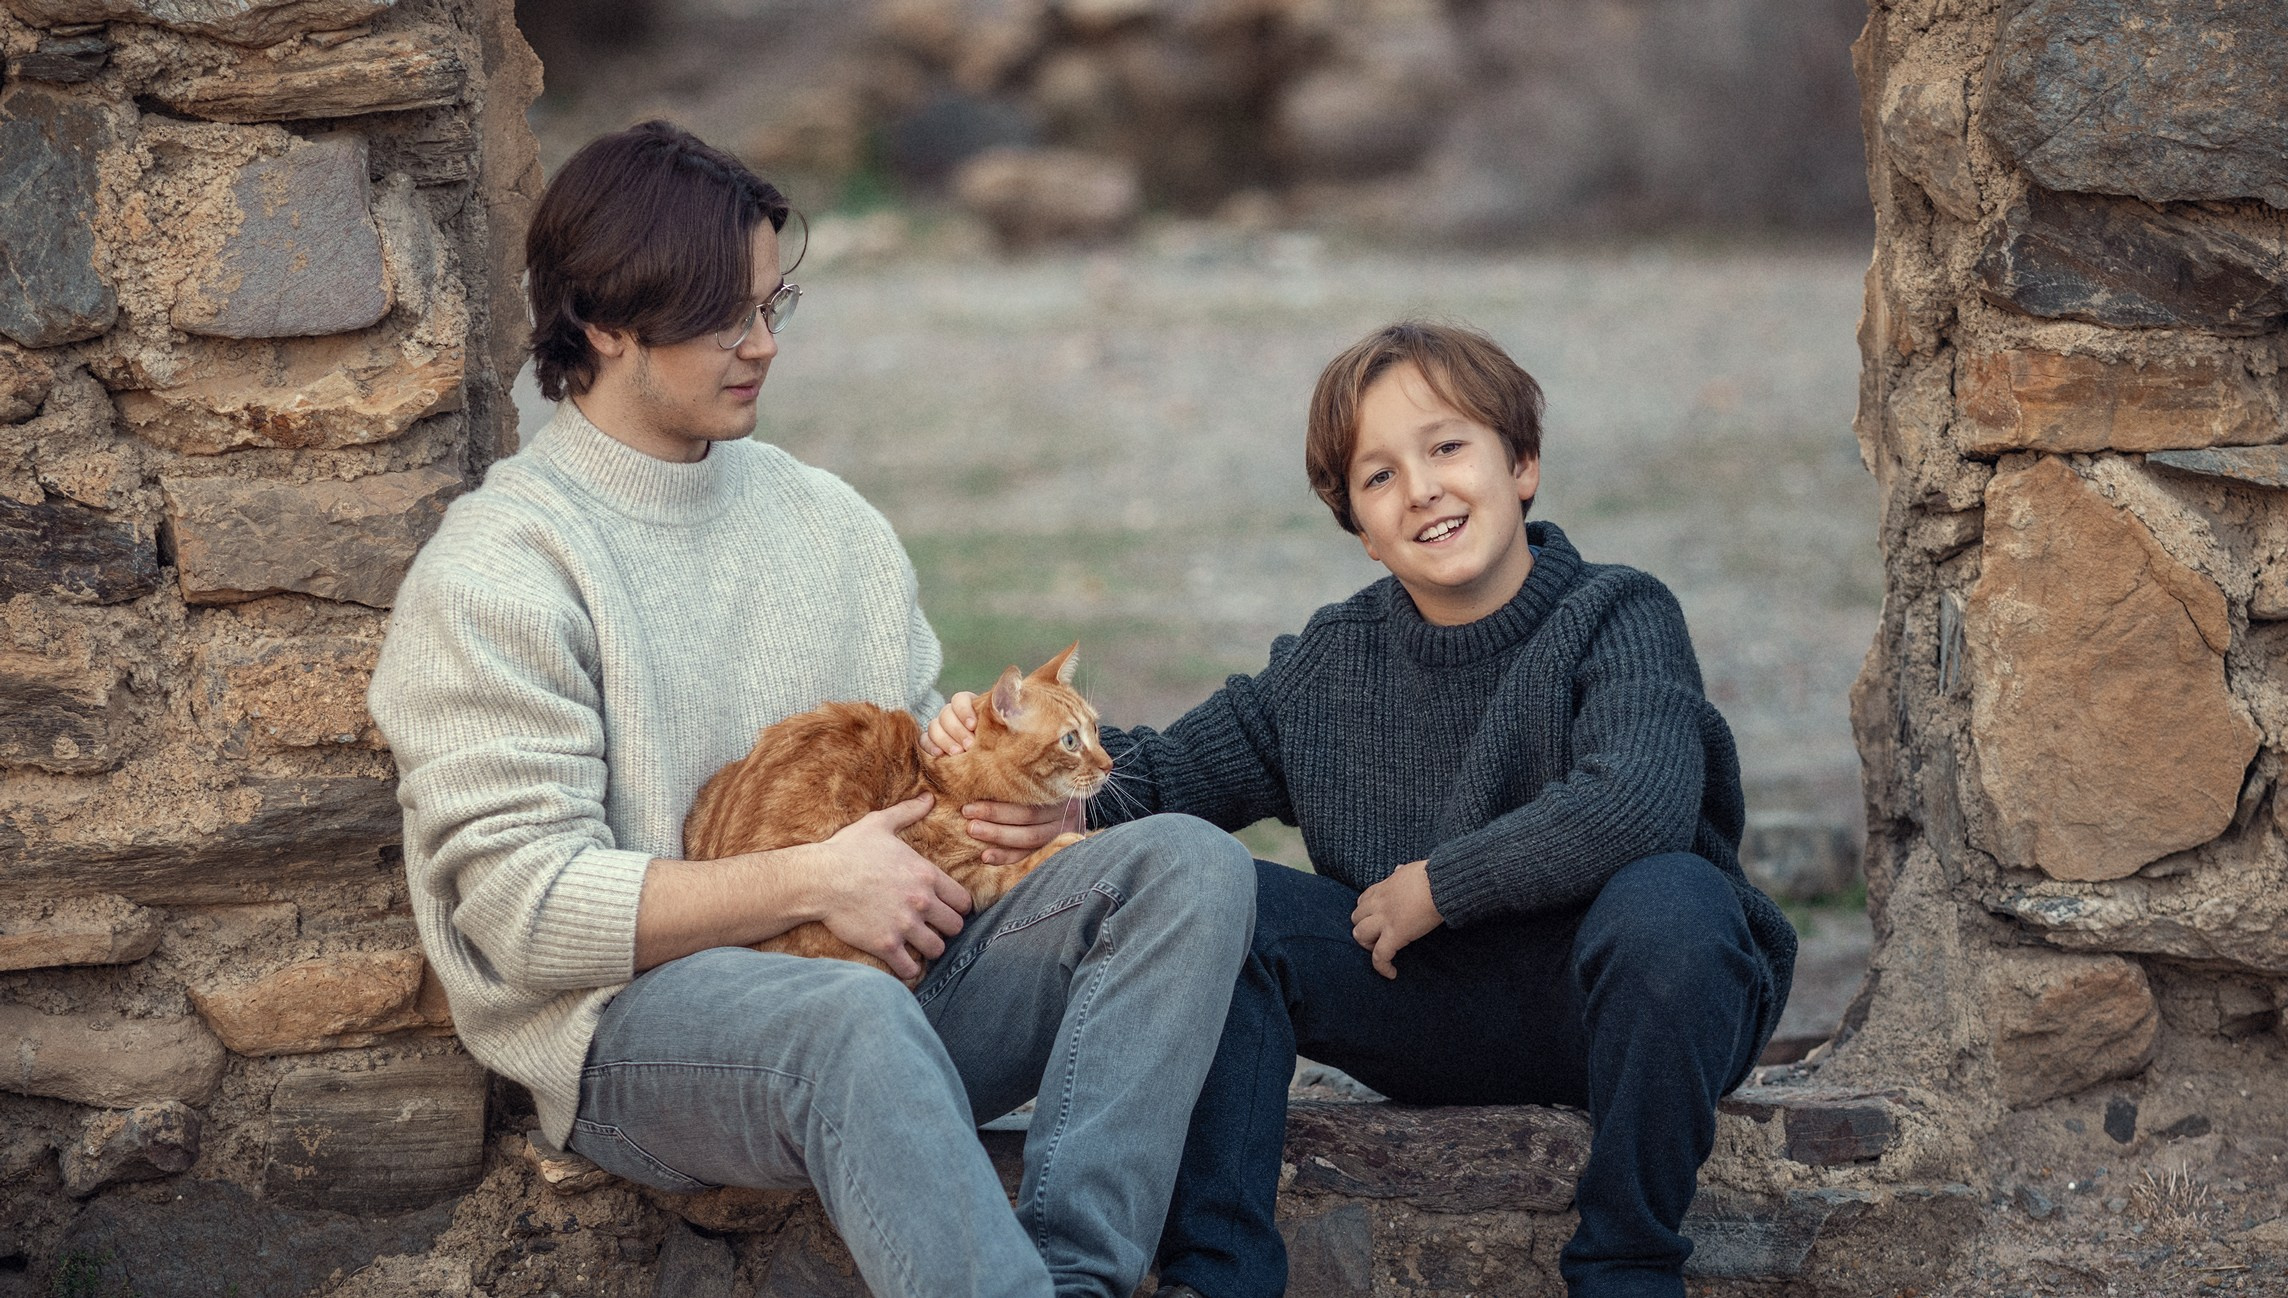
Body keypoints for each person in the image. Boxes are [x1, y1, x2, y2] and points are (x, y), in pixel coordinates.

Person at [365, 121, 1255, 1298]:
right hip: (642, 1035)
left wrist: (1004, 813)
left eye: (775, 302)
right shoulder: (501, 568)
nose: (764, 343)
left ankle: (1074, 1278)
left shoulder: (829, 519)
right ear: (604, 321)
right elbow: (520, 912)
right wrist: (815, 879)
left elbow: (923, 753)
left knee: (1187, 867)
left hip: (896, 971)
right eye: (726, 316)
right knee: (843, 1015)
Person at [930, 319, 1799, 1298]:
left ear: (1521, 465)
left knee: (1671, 899)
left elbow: (1632, 804)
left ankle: (1626, 1265)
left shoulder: (1620, 613)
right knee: (1220, 898)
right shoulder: (1331, 663)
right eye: (1376, 475)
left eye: (1445, 446)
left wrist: (1442, 883)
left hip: (1644, 1005)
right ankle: (1217, 1273)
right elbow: (1172, 770)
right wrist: (1031, 772)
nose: (1419, 487)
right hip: (1427, 1007)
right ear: (1356, 522)